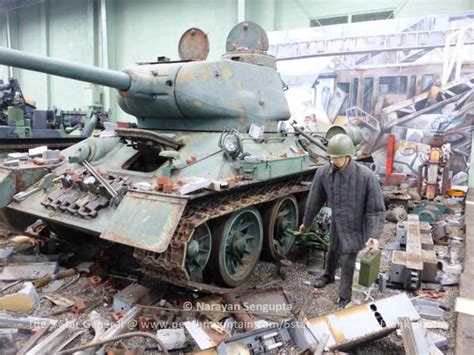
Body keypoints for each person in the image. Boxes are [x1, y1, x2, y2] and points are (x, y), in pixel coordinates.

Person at [299, 134, 385, 308]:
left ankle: (344, 295)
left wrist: (374, 235)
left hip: (355, 226)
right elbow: (314, 200)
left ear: (348, 155)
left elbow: (375, 210)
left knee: (348, 258)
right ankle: (328, 275)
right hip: (337, 223)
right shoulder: (323, 173)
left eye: (338, 157)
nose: (334, 160)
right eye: (332, 157)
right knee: (333, 250)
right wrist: (306, 223)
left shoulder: (366, 176)